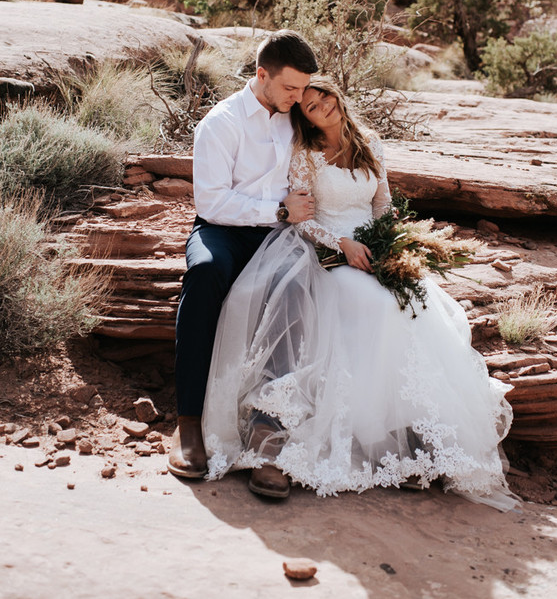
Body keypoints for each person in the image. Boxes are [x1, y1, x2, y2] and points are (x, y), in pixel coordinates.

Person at [202, 76, 519, 511]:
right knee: (374, 304)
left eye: (324, 97)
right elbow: (302, 221)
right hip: (328, 254)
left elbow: (382, 204)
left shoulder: (370, 142)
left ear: (337, 95)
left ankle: (409, 432)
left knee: (413, 303)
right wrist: (343, 245)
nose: (321, 106)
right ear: (306, 118)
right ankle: (309, 433)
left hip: (374, 249)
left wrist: (393, 246)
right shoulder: (305, 155)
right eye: (310, 106)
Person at [168, 30, 319, 499]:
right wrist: (277, 211)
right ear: (261, 75)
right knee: (206, 272)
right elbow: (212, 202)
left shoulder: (296, 118)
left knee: (296, 286)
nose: (299, 97)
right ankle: (188, 423)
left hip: (280, 233)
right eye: (291, 88)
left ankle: (267, 432)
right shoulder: (220, 123)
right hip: (224, 228)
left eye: (303, 88)